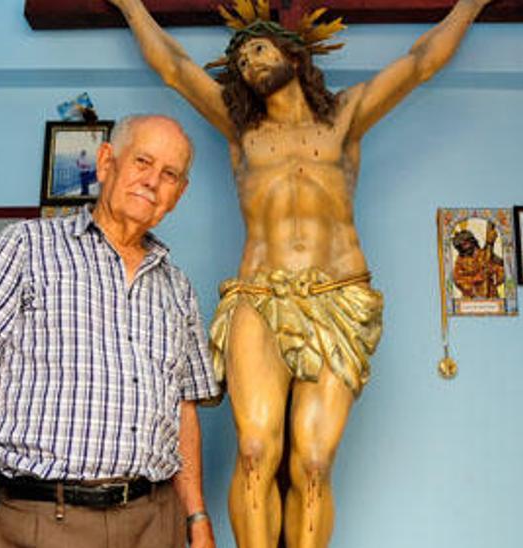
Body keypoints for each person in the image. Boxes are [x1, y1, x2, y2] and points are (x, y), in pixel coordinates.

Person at [105, 1, 492, 545]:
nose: (249, 64)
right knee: (255, 448)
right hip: (258, 296)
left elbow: (421, 61)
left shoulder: (345, 117)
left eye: (258, 49)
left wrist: (471, 5)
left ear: (292, 52)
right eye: (239, 60)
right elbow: (172, 66)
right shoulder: (242, 130)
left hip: (338, 299)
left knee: (312, 462)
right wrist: (131, 7)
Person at [0, 115, 220, 548]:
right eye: (142, 162)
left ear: (179, 194)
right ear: (107, 162)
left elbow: (184, 411)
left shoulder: (177, 286)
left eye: (169, 175)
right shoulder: (27, 246)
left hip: (154, 523)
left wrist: (196, 517)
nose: (152, 181)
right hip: (38, 520)